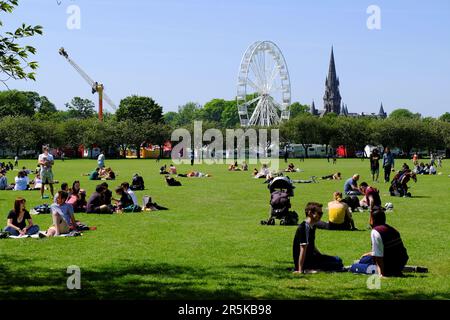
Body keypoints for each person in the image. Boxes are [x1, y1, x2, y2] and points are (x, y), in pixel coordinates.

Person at [353, 206, 408, 277]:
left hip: (389, 265)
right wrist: (371, 253)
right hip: (400, 264)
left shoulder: (376, 232)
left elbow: (379, 256)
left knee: (357, 264)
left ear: (372, 219)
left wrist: (381, 274)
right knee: (366, 258)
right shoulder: (392, 229)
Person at [292, 202, 344, 273]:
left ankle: (312, 268)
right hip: (307, 262)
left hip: (313, 258)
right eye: (319, 213)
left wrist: (320, 255)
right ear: (310, 213)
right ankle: (307, 270)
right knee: (337, 265)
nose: (321, 215)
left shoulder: (313, 226)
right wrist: (300, 269)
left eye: (321, 213)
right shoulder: (304, 227)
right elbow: (302, 249)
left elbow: (311, 245)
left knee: (338, 259)